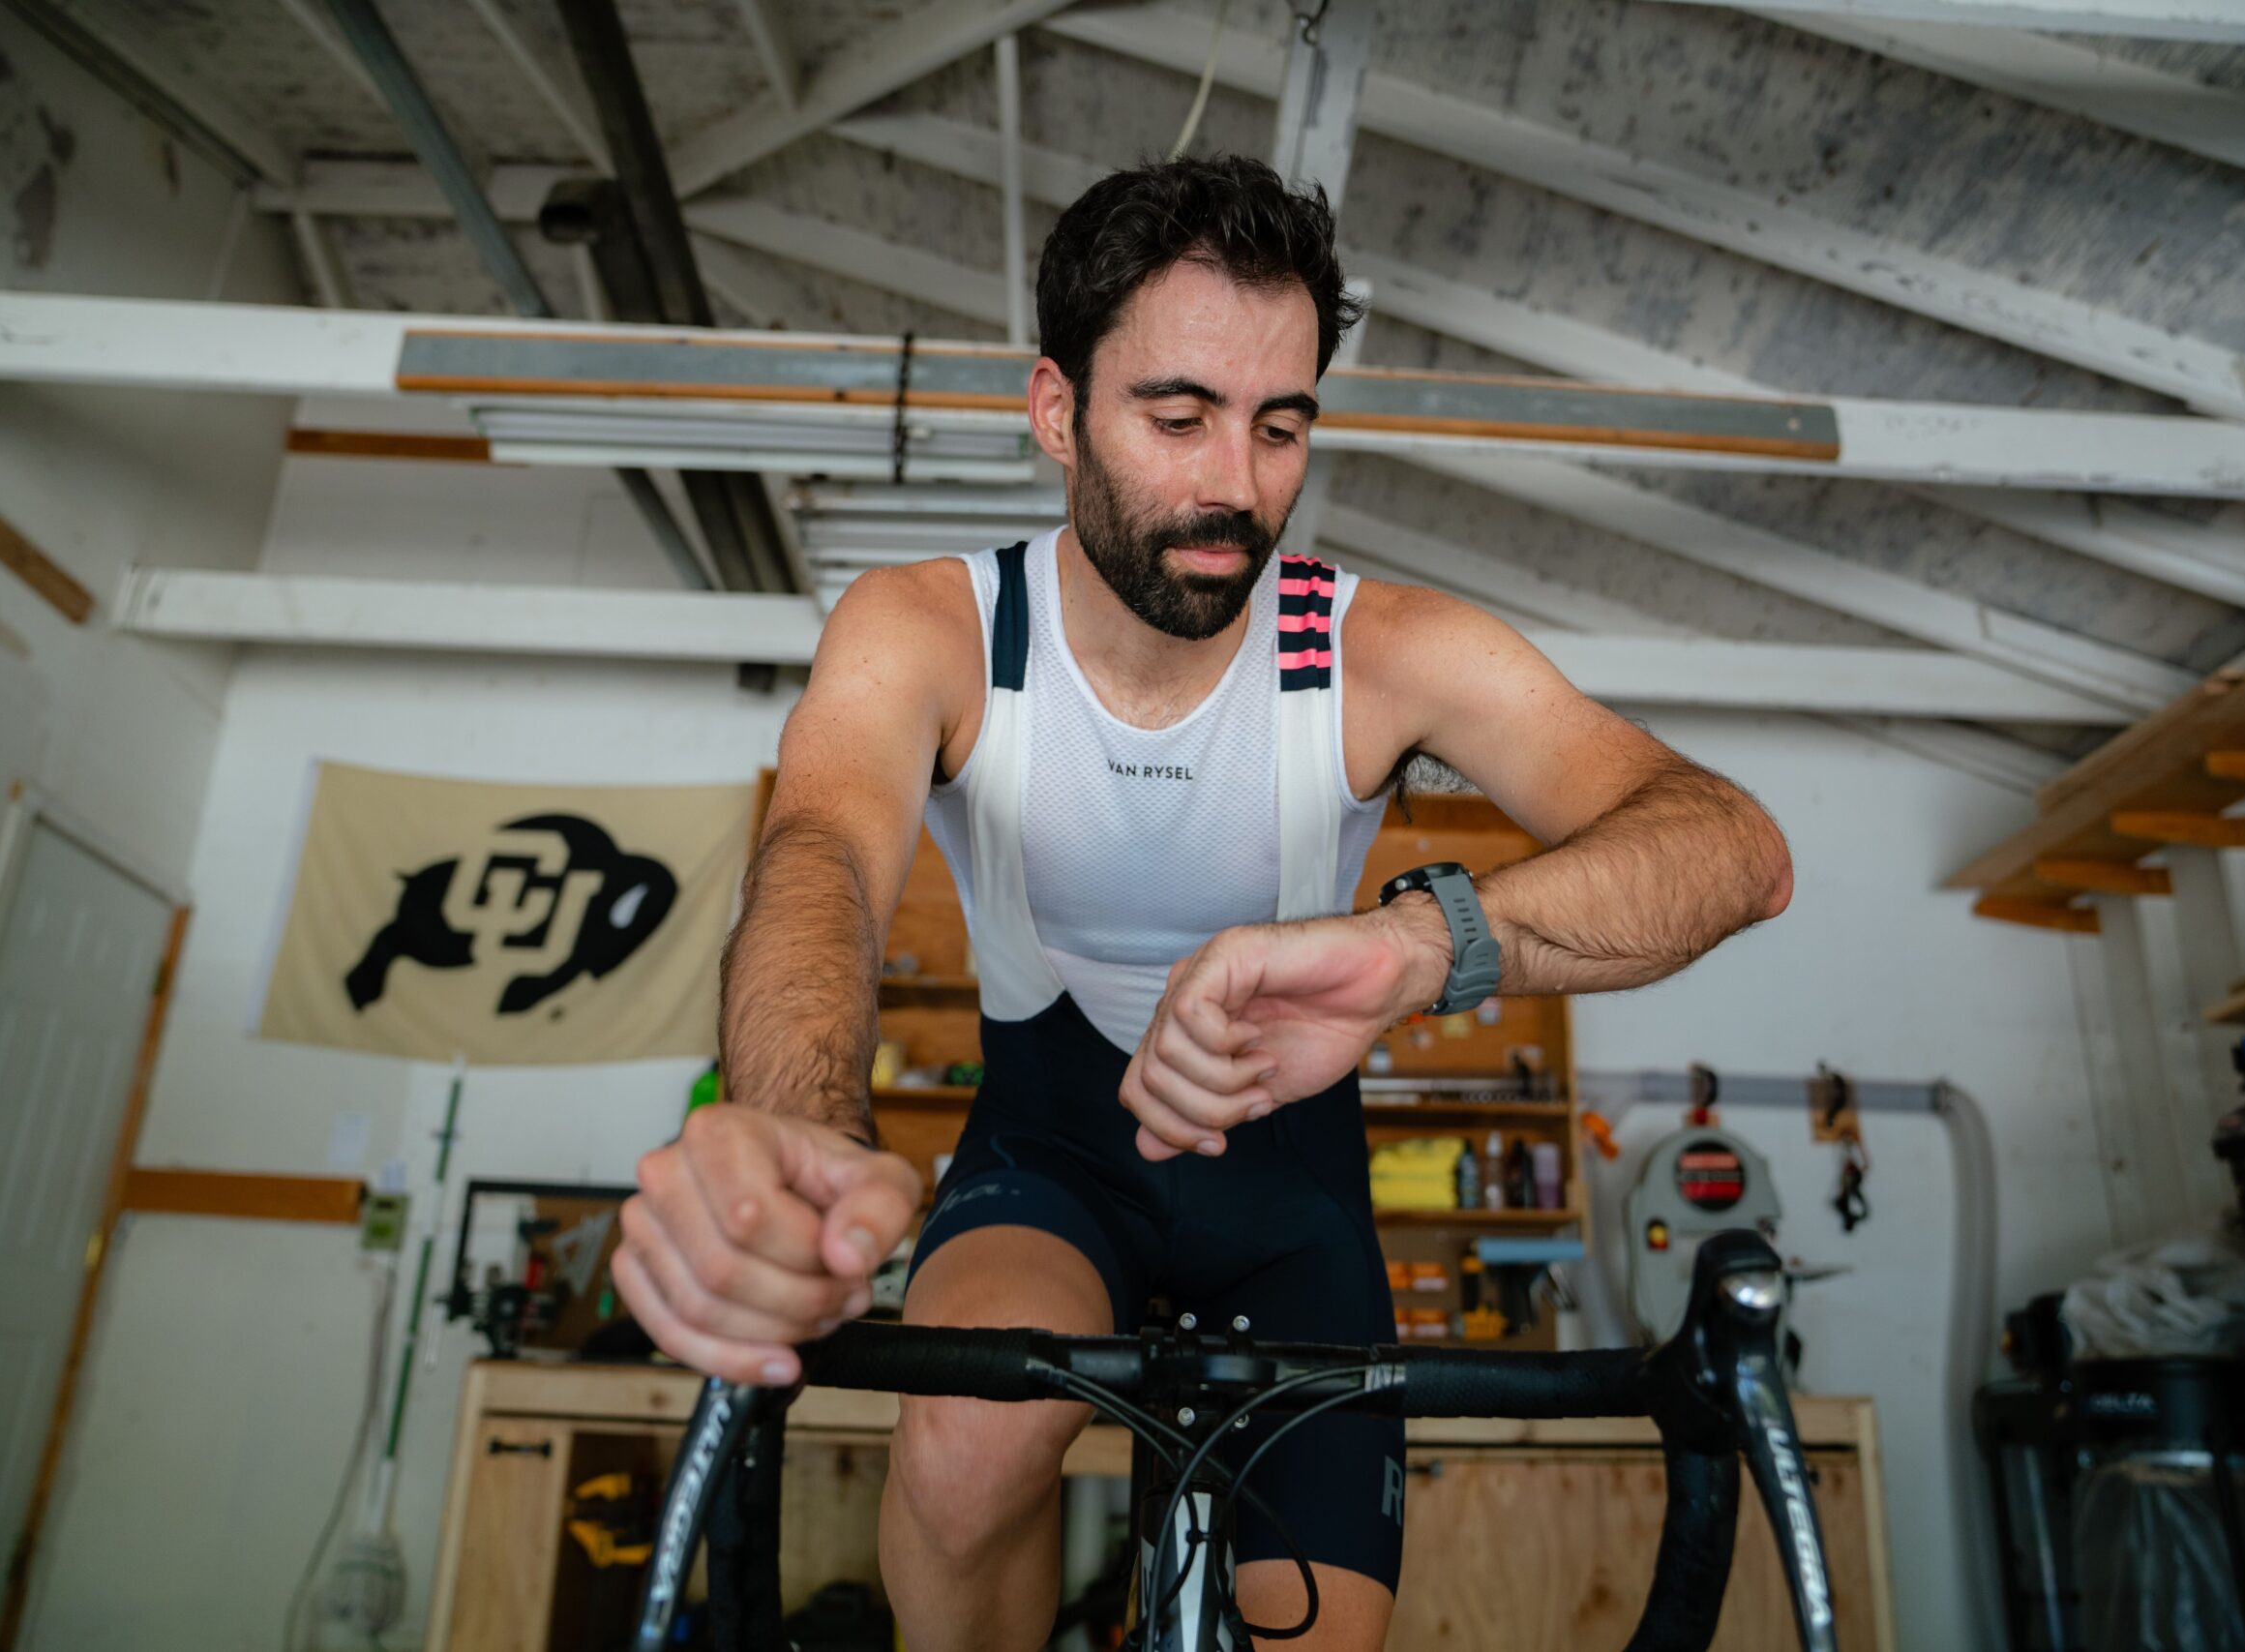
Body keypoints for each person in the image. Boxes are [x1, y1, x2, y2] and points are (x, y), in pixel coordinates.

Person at [613, 154, 1794, 1651]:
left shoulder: (1375, 645)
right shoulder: (933, 626)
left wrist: (1419, 945)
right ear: (1058, 411)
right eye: (1178, 417)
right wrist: (794, 1126)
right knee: (968, 1450)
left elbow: (1732, 845)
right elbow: (822, 860)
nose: (1234, 484)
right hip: (1050, 1161)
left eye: (1278, 424)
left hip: (1289, 1195)